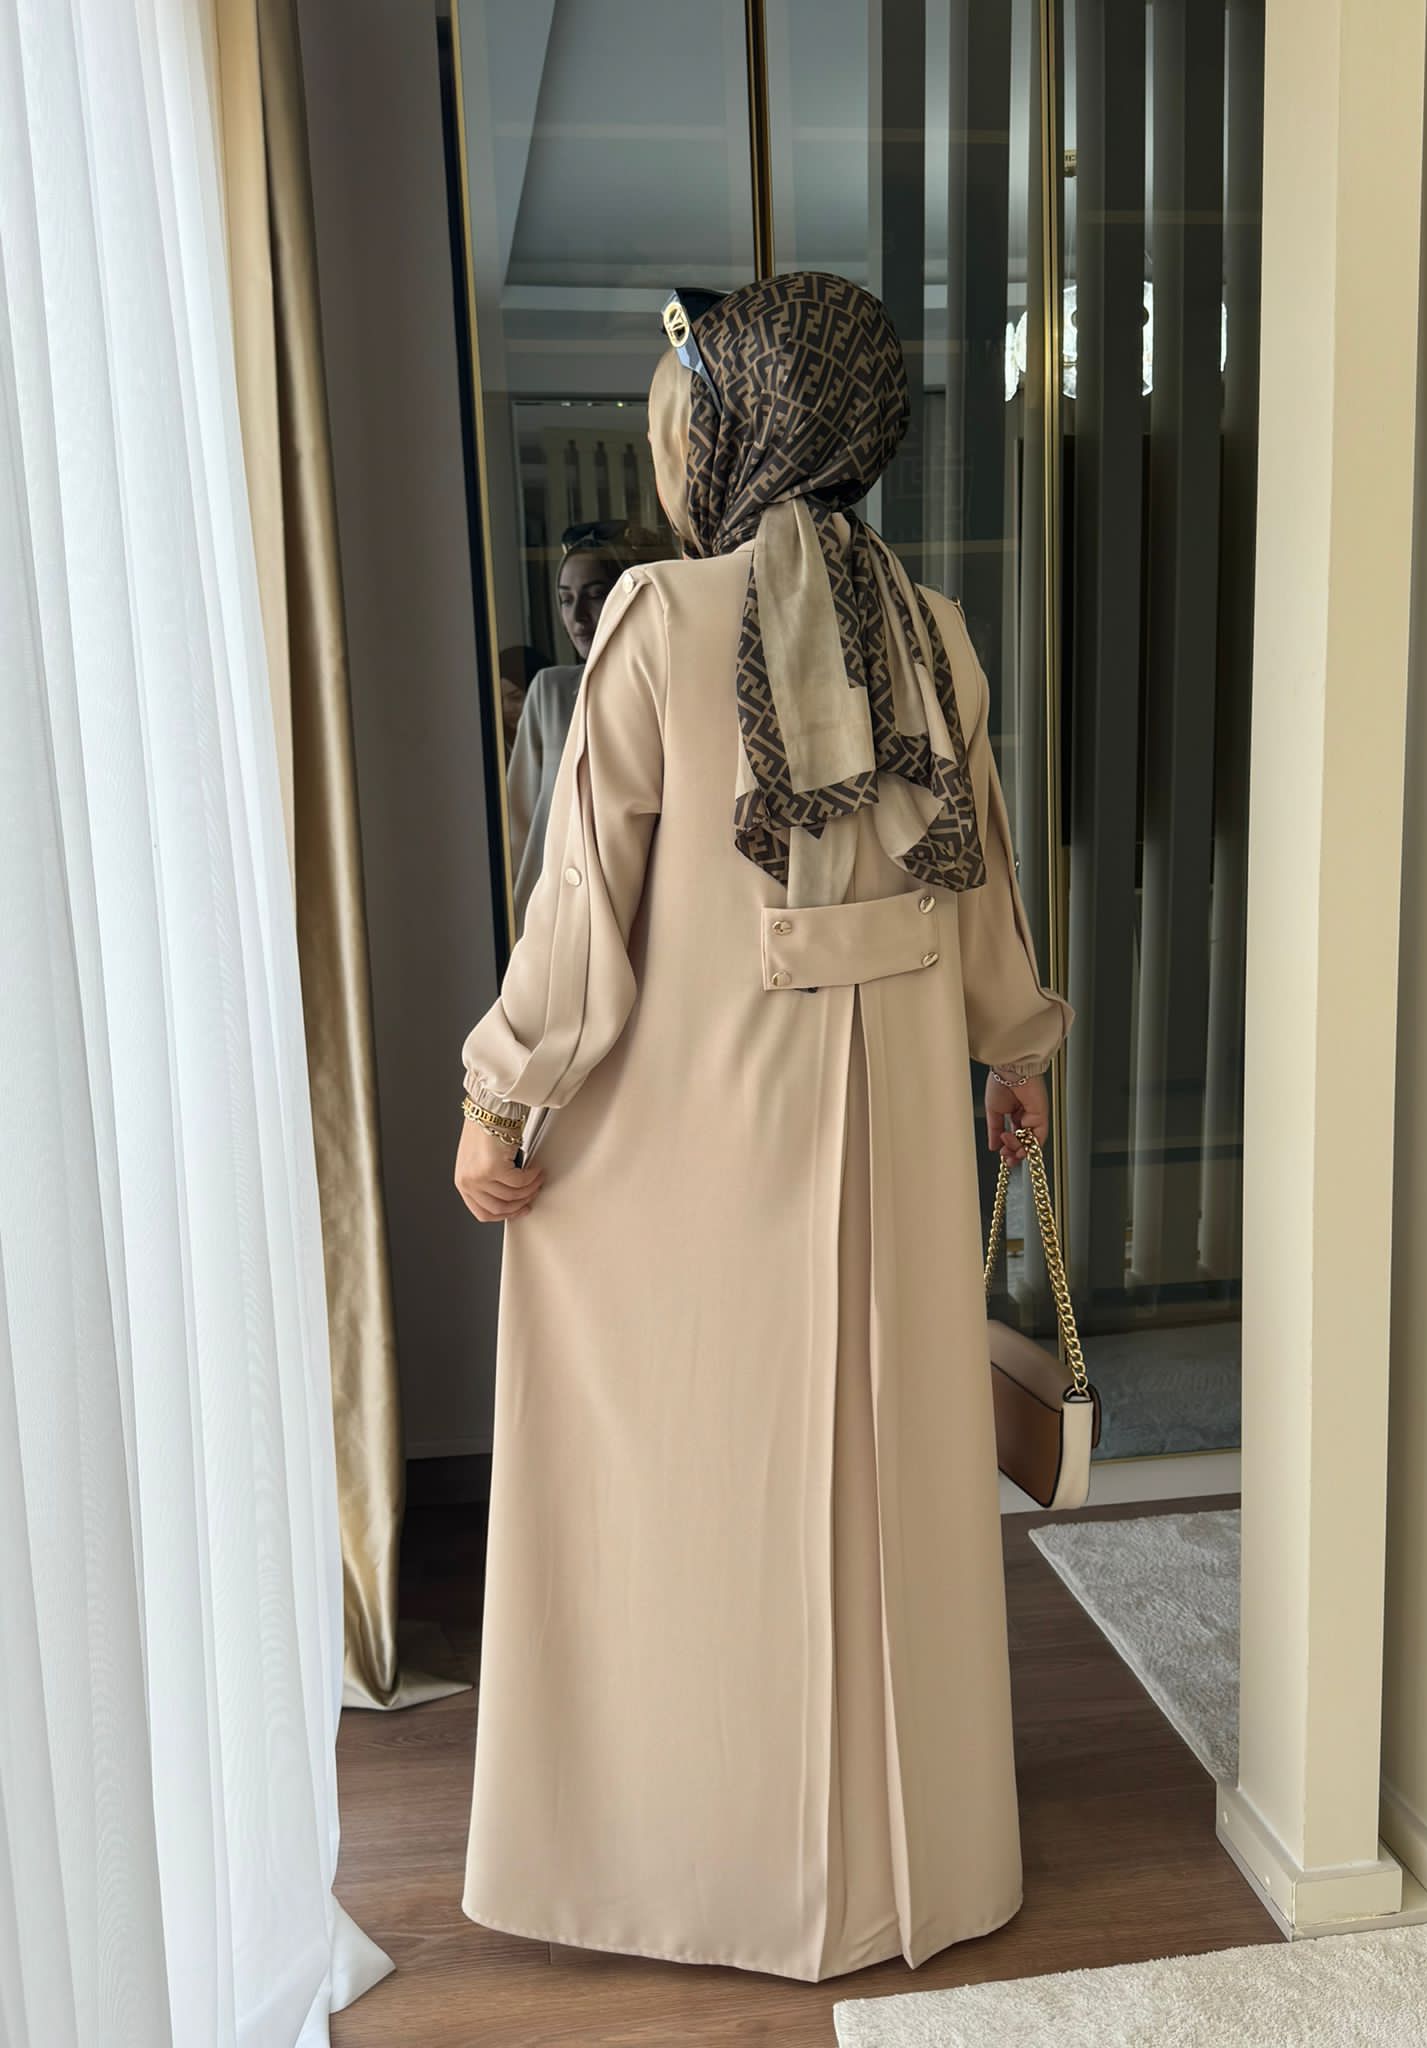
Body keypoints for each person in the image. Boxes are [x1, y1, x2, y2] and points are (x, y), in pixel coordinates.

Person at [453, 271, 1075, 1983]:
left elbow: (580, 914)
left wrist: (501, 1092)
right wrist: (1013, 1052)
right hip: (898, 1138)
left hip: (703, 1135)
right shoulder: (934, 634)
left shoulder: (660, 617)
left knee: (698, 1475)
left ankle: (697, 1857)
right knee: (885, 1477)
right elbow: (982, 887)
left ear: (738, 428)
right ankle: (912, 1867)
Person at [506, 523, 668, 930]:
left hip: (644, 909)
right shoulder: (550, 692)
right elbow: (520, 821)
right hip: (555, 910)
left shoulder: (663, 694)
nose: (577, 617)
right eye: (565, 599)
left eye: (594, 596)